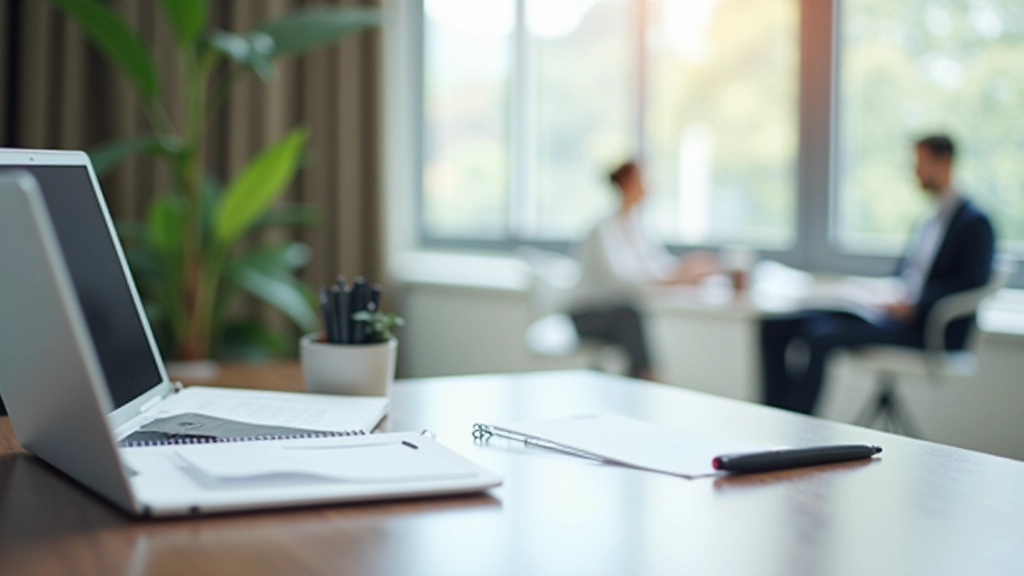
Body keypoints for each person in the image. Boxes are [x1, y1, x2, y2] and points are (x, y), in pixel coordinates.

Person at [760, 135, 995, 414]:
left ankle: (798, 429)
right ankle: (774, 415)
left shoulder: (974, 222)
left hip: (924, 327)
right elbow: (908, 277)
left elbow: (971, 281)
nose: (915, 172)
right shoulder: (929, 220)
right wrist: (879, 293)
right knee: (775, 325)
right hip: (893, 312)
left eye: (919, 163)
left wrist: (916, 304)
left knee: (818, 335)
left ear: (943, 163)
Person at [569, 160, 718, 380]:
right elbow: (619, 282)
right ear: (627, 183)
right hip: (586, 315)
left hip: (615, 313)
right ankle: (648, 378)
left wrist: (685, 270)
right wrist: (672, 279)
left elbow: (657, 264)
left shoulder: (638, 224)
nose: (649, 185)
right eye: (643, 179)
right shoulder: (603, 228)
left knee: (633, 318)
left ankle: (641, 380)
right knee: (630, 314)